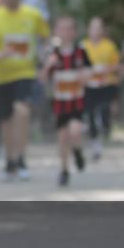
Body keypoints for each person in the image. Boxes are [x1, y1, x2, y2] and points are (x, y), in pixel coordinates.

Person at [0, 0, 49, 181]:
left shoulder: (33, 15)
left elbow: (46, 39)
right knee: (7, 121)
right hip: (1, 77)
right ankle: (10, 160)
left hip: (25, 73)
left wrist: (45, 59)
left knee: (22, 111)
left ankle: (21, 158)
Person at [40, 16, 91, 186]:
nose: (65, 32)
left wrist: (83, 75)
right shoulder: (52, 53)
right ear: (56, 31)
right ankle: (64, 170)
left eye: (69, 28)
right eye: (61, 28)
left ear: (74, 32)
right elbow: (42, 78)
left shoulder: (80, 51)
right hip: (60, 102)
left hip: (76, 101)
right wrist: (48, 66)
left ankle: (77, 151)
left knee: (75, 131)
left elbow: (88, 73)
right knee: (62, 137)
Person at [82, 16, 121, 160]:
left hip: (106, 84)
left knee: (104, 111)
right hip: (89, 86)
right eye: (93, 28)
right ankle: (95, 142)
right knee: (91, 114)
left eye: (98, 28)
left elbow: (117, 65)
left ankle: (104, 129)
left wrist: (106, 70)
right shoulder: (83, 46)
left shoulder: (109, 46)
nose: (95, 31)